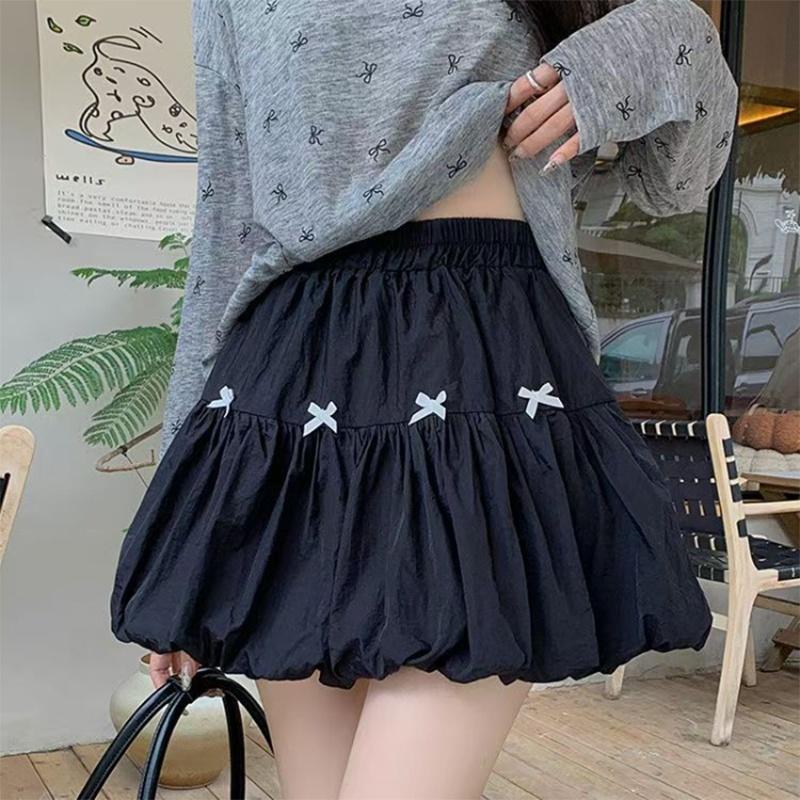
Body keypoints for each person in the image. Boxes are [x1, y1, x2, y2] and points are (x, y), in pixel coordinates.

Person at [110, 1, 740, 796]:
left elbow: (678, 178)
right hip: (294, 372)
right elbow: (226, 213)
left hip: (481, 361)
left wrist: (649, 42)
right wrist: (184, 538)